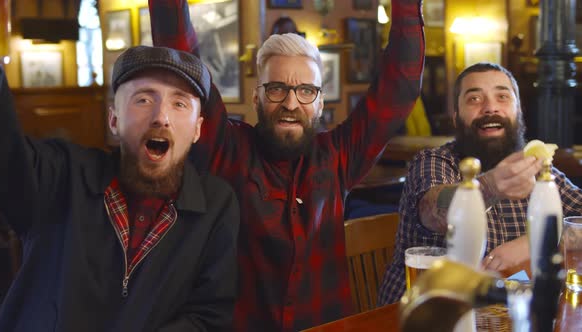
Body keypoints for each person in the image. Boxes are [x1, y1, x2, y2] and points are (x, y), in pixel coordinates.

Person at [148, 0, 424, 330]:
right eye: (277, 88)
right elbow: (182, 61)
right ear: (257, 97)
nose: (291, 103)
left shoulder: (338, 156)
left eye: (306, 90)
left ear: (320, 102)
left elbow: (398, 89)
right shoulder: (227, 149)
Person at [0, 46, 239, 331]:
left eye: (179, 103)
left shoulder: (217, 203)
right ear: (114, 120)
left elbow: (208, 315)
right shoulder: (62, 174)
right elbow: (6, 161)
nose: (161, 116)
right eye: (144, 99)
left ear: (197, 129)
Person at [377, 62, 582, 305]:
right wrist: (489, 187)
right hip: (425, 315)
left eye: (502, 97)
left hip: (503, 317)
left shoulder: (537, 170)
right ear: (456, 117)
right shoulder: (435, 162)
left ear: (519, 111)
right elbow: (432, 211)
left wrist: (536, 242)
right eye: (474, 99)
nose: (490, 108)